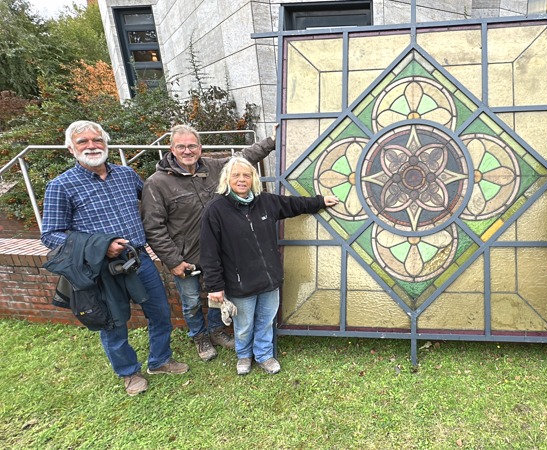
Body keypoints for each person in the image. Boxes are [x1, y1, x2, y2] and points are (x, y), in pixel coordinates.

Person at [41, 120, 188, 396]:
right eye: (83, 142)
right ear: (71, 149)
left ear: (105, 144)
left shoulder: (126, 174)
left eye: (97, 140)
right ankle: (129, 373)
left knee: (160, 312)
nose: (92, 146)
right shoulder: (61, 186)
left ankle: (160, 360)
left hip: (139, 260)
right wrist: (100, 245)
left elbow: (153, 205)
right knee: (113, 324)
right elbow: (50, 235)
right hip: (101, 269)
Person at [141, 124, 277, 362]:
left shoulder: (214, 167)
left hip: (220, 253)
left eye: (192, 145)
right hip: (187, 258)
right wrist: (173, 261)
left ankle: (216, 331)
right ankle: (199, 336)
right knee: (192, 301)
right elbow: (154, 227)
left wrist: (274, 139)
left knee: (218, 296)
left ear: (200, 148)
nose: (187, 150)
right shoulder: (157, 183)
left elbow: (244, 158)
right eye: (181, 146)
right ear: (171, 149)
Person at [199, 156, 339, 376]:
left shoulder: (264, 201)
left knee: (265, 321)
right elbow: (209, 252)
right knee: (244, 324)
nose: (242, 180)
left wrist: (320, 201)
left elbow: (294, 205)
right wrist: (215, 286)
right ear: (227, 178)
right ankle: (244, 355)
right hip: (240, 283)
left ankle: (264, 355)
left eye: (247, 175)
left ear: (254, 178)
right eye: (236, 175)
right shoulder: (216, 209)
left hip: (269, 279)